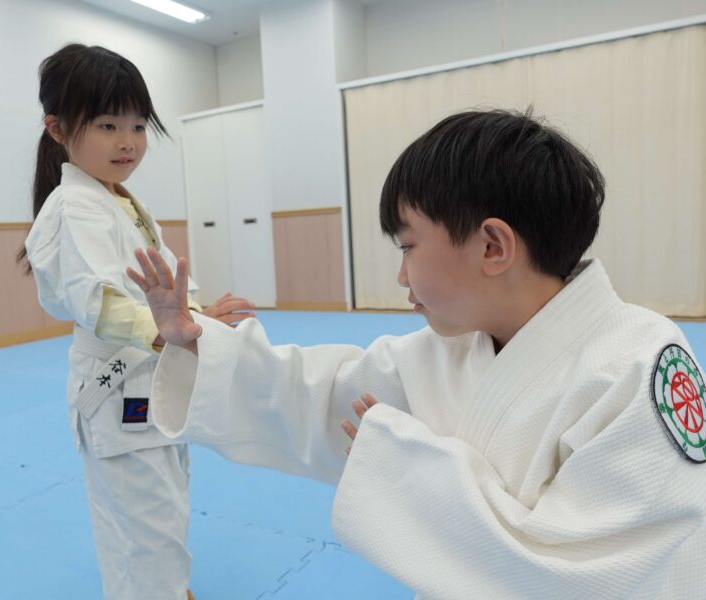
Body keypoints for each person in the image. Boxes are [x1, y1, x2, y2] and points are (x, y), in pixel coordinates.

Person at [129, 108, 706, 599]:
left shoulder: (638, 366)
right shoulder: (446, 350)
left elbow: (598, 576)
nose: (400, 274)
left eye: (408, 246)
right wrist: (204, 348)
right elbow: (316, 397)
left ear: (493, 245)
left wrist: (408, 464)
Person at [19, 43, 254, 600]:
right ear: (58, 129)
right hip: (119, 385)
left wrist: (199, 317)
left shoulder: (121, 201)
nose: (127, 142)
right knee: (147, 525)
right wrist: (165, 327)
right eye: (106, 125)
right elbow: (97, 301)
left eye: (138, 126)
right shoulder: (73, 206)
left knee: (155, 509)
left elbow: (161, 287)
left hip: (152, 376)